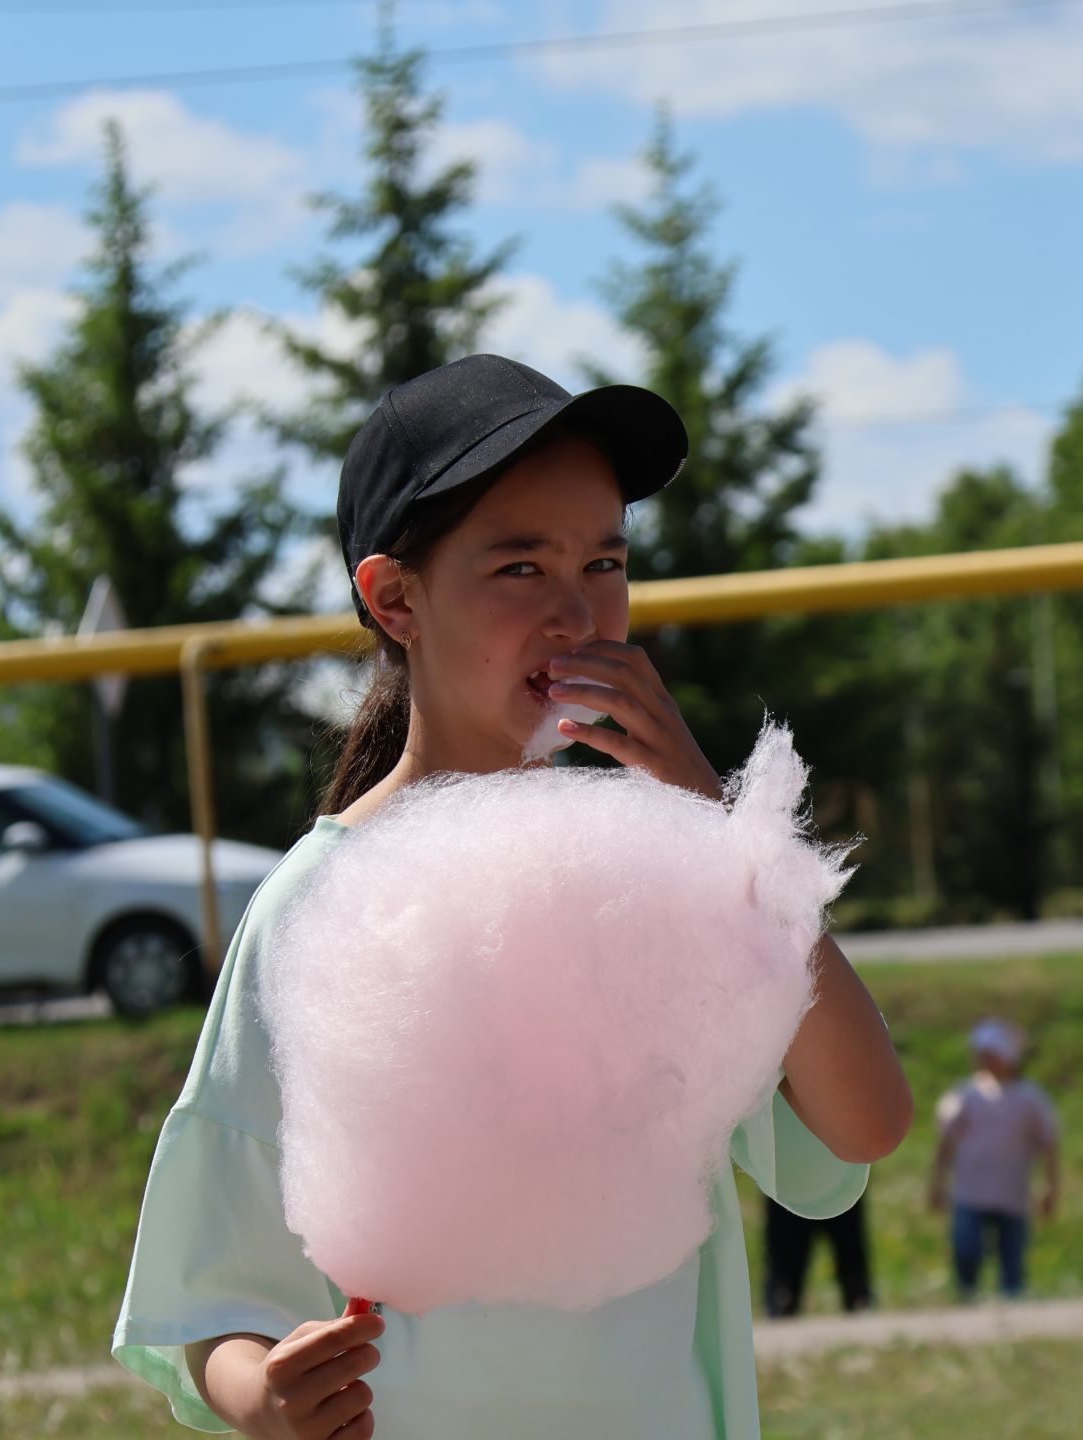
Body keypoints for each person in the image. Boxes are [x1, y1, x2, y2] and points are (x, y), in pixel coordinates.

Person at [111, 354, 913, 1439]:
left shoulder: (668, 876)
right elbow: (211, 1292)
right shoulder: (318, 899)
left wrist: (714, 821)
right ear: (396, 597)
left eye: (605, 562)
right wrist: (264, 1395)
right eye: (521, 569)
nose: (578, 612)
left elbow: (867, 1121)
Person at [929, 1017, 1061, 1301]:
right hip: (970, 1193)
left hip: (1012, 1193)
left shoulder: (1030, 1098)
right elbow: (946, 1142)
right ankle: (967, 1297)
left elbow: (1048, 1145)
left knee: (1012, 1257)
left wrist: (1051, 1187)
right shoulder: (966, 1094)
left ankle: (1012, 1305)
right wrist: (937, 1184)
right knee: (966, 1250)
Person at [762, 1191, 874, 1318]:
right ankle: (782, 1298)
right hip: (788, 1186)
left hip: (836, 1184)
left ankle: (857, 1295)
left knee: (849, 1244)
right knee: (784, 1263)